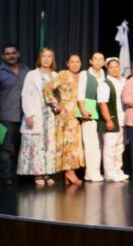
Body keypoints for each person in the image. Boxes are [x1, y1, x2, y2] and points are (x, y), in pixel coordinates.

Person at [18, 48, 58, 186]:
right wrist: (29, 114)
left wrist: (57, 105)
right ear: (39, 58)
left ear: (53, 59)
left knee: (48, 144)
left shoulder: (55, 75)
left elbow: (58, 96)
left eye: (49, 56)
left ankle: (47, 172)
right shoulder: (32, 74)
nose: (46, 59)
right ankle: (37, 173)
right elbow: (26, 94)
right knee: (36, 145)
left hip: (50, 116)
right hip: (36, 113)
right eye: (44, 56)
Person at [43, 54, 85, 185]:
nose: (75, 64)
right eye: (72, 62)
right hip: (65, 113)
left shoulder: (82, 76)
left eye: (77, 61)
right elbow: (47, 88)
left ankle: (68, 172)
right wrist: (55, 104)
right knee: (67, 143)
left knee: (74, 144)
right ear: (67, 63)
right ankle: (69, 172)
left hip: (77, 114)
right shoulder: (63, 74)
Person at [0, 43, 30, 186]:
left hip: (26, 117)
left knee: (23, 148)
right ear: (3, 56)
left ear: (18, 54)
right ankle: (6, 176)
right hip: (4, 117)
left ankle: (22, 174)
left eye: (13, 53)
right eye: (7, 54)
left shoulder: (27, 70)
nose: (11, 56)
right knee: (5, 149)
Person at [97, 58, 129, 182]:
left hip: (123, 119)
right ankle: (109, 173)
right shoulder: (105, 84)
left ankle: (118, 170)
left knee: (120, 147)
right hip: (112, 120)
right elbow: (102, 103)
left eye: (117, 66)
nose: (115, 69)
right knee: (110, 147)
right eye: (111, 67)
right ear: (107, 69)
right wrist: (108, 120)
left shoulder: (124, 81)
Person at [77, 51, 105, 182]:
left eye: (101, 59)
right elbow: (80, 93)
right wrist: (83, 110)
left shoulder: (104, 75)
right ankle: (90, 172)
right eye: (96, 59)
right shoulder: (84, 74)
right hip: (89, 110)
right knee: (90, 143)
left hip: (101, 111)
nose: (98, 61)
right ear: (91, 61)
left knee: (99, 143)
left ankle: (96, 171)